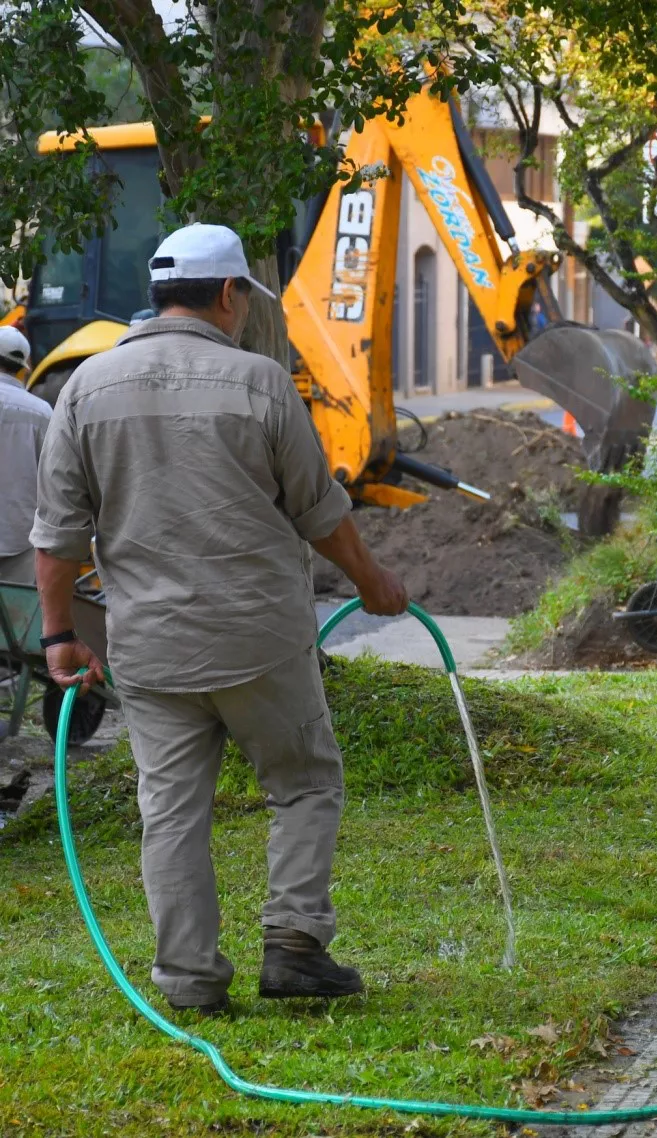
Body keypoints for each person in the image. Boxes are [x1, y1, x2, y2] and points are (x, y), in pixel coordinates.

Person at [30, 223, 409, 1015]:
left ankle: (189, 981)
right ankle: (296, 945)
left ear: (159, 294)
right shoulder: (260, 382)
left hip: (150, 646)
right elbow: (320, 514)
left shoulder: (85, 387)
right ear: (231, 294)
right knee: (304, 784)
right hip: (260, 636)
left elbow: (57, 537)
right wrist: (373, 582)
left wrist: (61, 635)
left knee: (170, 813)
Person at [0, 326, 50, 585]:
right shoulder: (41, 412)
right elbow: (54, 479)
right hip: (22, 538)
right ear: (22, 366)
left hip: (22, 536)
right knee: (16, 622)